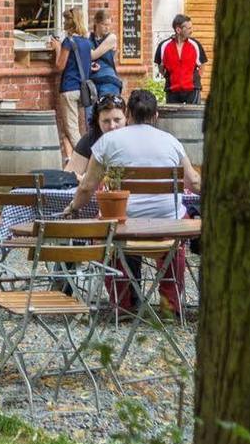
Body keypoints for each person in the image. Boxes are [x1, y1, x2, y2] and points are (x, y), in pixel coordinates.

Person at [63, 89, 200, 312]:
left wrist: (72, 207)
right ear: (156, 115)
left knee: (105, 232)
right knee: (177, 238)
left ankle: (124, 304)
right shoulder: (171, 141)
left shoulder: (108, 141)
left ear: (128, 115)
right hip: (167, 224)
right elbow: (193, 181)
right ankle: (170, 305)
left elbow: (87, 186)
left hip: (124, 222)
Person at [50, 6, 93, 158]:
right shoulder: (87, 43)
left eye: (65, 20)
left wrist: (57, 48)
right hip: (82, 90)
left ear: (71, 22)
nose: (63, 23)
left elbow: (59, 66)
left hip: (68, 88)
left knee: (72, 129)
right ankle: (75, 162)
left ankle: (87, 158)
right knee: (78, 127)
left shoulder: (69, 42)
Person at [154, 13, 207, 105]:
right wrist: (169, 76)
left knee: (192, 118)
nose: (192, 30)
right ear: (178, 30)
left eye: (191, 27)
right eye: (189, 28)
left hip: (192, 90)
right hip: (172, 90)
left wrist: (195, 78)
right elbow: (160, 67)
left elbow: (202, 65)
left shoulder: (195, 45)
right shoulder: (163, 46)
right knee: (173, 119)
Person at [89, 9, 122, 103]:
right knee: (93, 116)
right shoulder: (89, 37)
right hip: (92, 81)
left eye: (109, 25)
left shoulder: (111, 38)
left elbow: (93, 55)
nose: (107, 28)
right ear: (96, 22)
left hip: (108, 81)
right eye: (104, 24)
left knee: (107, 109)